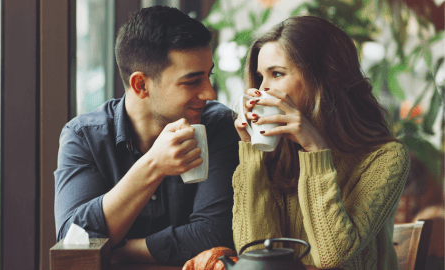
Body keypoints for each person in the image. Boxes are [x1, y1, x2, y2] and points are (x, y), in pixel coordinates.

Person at [184, 16, 410, 270]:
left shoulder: (386, 157)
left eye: (277, 74)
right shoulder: (275, 153)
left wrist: (315, 151)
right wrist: (252, 154)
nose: (262, 90)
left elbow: (331, 256)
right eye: (260, 78)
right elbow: (255, 255)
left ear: (324, 77)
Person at [54, 6, 240, 266]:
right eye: (192, 81)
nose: (210, 93)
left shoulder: (219, 126)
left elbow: (213, 236)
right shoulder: (84, 137)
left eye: (208, 76)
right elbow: (73, 243)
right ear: (141, 85)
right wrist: (153, 165)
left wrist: (115, 251)